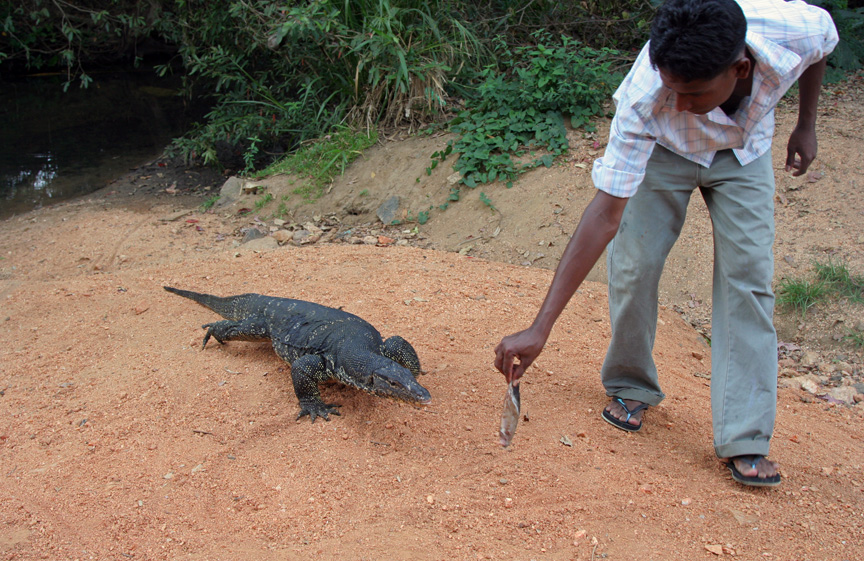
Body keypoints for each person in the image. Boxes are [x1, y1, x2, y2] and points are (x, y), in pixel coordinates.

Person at [493, 0, 838, 487]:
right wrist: (539, 327)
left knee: (749, 282)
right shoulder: (646, 97)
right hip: (664, 153)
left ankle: (746, 437)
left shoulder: (795, 30)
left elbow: (823, 44)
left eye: (692, 93)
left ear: (739, 69)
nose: (676, 103)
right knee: (634, 267)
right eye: (669, 88)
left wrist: (806, 122)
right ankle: (631, 385)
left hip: (745, 153)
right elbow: (604, 215)